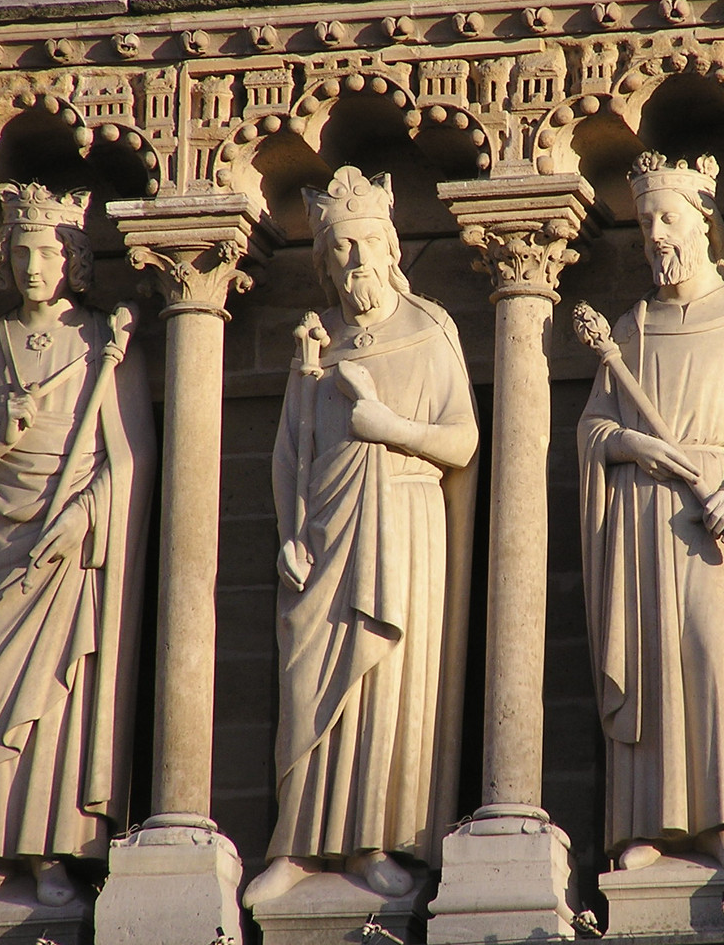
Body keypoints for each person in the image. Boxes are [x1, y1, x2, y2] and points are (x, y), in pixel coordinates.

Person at [244, 166, 478, 907]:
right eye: (339, 248)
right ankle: (295, 846)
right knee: (305, 687)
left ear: (389, 247)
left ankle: (376, 844)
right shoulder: (317, 343)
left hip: (402, 524)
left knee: (386, 689)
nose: (354, 261)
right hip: (323, 531)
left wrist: (390, 427)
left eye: (365, 243)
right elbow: (289, 453)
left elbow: (462, 441)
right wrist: (289, 532)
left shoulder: (429, 328)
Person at [0, 182, 153, 912]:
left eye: (48, 254)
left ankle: (51, 856)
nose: (33, 266)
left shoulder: (103, 346)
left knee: (58, 700)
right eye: (21, 252)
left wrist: (86, 517)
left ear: (74, 261)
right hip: (2, 547)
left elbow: (130, 460)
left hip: (68, 553)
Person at [578, 151, 724, 874]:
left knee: (710, 654)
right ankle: (648, 825)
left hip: (709, 514)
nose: (655, 236)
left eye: (667, 219)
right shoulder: (631, 326)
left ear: (703, 223)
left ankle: (720, 822)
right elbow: (594, 427)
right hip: (641, 516)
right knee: (651, 663)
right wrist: (628, 443)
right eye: (645, 224)